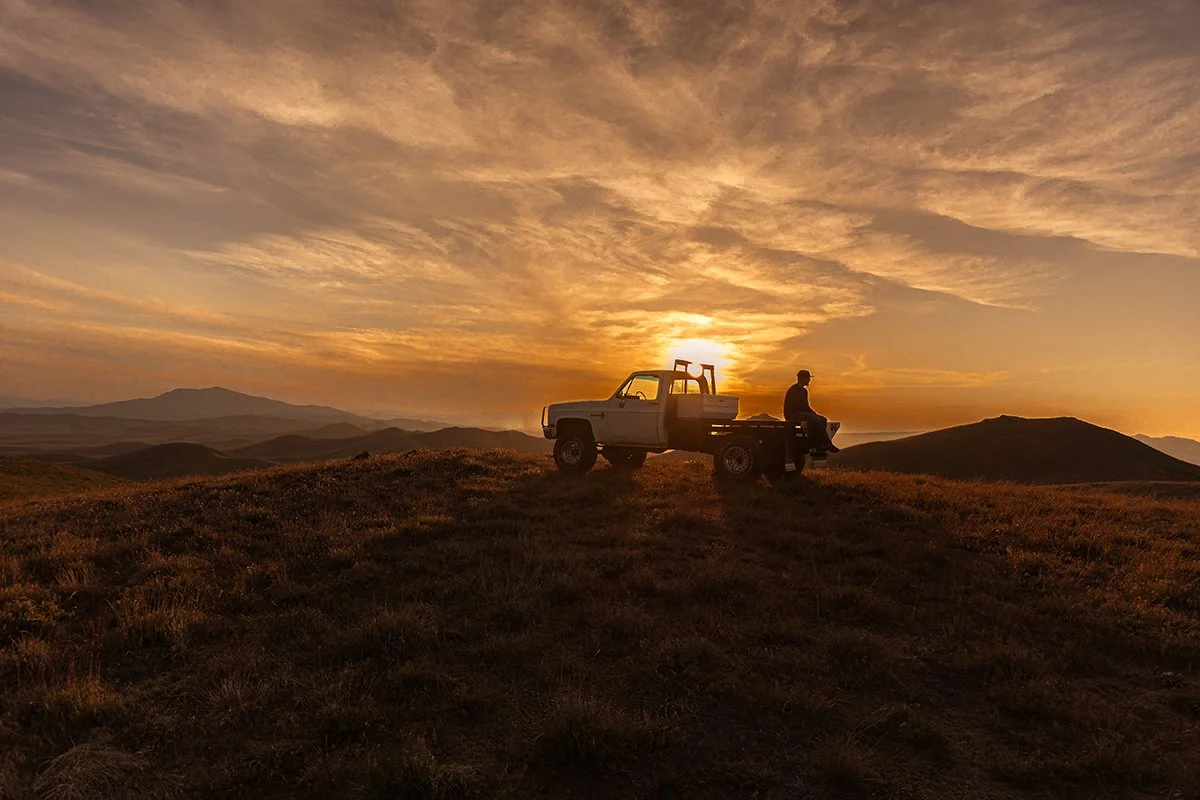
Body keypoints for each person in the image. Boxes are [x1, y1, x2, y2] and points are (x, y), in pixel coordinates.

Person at [783, 369, 839, 454]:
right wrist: (811, 414)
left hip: (802, 413)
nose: (810, 380)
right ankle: (827, 443)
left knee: (823, 419)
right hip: (793, 415)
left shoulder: (804, 391)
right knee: (815, 419)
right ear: (803, 378)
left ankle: (819, 443)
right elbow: (795, 407)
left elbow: (806, 406)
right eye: (808, 378)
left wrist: (812, 413)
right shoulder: (793, 390)